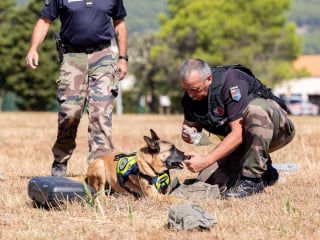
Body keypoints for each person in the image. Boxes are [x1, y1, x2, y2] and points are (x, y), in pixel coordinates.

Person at [25, 0, 128, 177]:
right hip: (72, 57)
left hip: (103, 56)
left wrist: (123, 58)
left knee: (100, 114)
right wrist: (33, 48)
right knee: (70, 113)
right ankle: (60, 159)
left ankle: (100, 168)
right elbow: (44, 21)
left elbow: (119, 23)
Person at [180, 58, 295, 198]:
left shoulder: (230, 81)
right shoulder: (190, 97)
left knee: (255, 110)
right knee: (206, 181)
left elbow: (238, 133)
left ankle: (252, 180)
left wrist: (206, 160)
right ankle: (267, 172)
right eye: (186, 89)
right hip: (243, 142)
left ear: (208, 79)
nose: (190, 95)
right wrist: (190, 134)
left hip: (276, 129)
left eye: (195, 89)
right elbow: (192, 127)